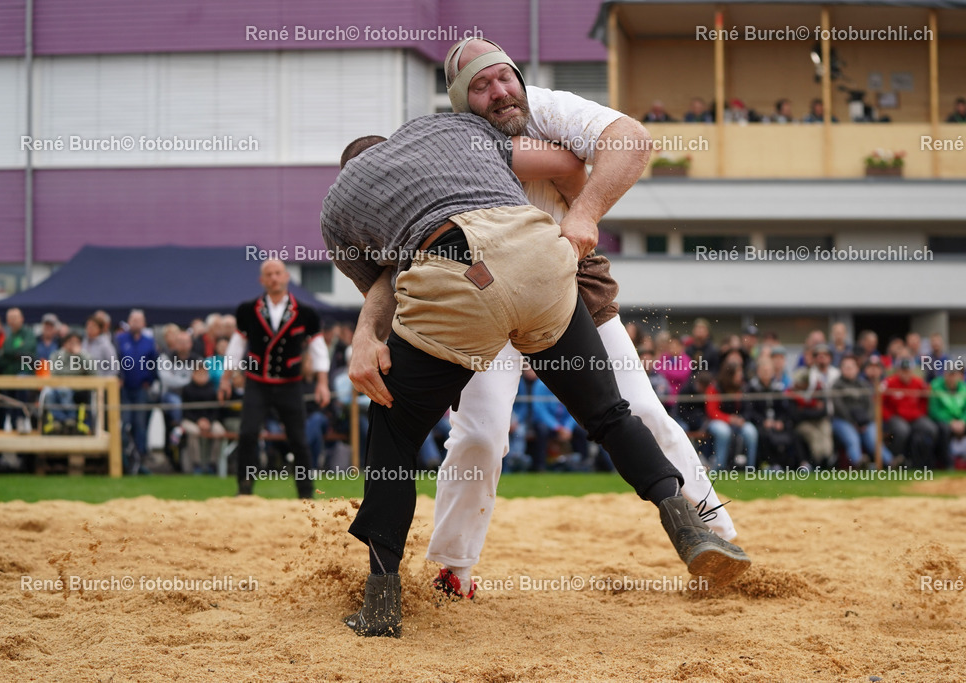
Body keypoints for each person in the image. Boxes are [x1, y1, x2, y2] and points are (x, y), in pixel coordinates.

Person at [321, 111, 749, 635]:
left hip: (457, 282)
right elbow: (569, 159)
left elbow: (386, 285)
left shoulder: (339, 204)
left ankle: (382, 603)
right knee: (610, 415)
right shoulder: (452, 131)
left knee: (393, 430)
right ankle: (685, 523)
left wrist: (368, 342)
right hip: (541, 263)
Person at [408, 37, 739, 601]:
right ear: (462, 101)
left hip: (569, 274)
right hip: (485, 290)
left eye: (504, 77)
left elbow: (631, 139)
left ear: (518, 76)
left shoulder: (547, 106)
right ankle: (452, 569)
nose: (500, 91)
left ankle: (716, 538)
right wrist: (567, 171)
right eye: (482, 86)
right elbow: (558, 163)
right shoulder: (455, 138)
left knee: (641, 410)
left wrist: (582, 210)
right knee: (481, 436)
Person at [218, 259, 331, 497]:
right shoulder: (248, 310)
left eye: (278, 273)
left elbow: (318, 349)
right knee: (248, 433)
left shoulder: (306, 312)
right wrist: (226, 379)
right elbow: (236, 346)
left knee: (299, 439)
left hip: (290, 385)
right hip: (257, 383)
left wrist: (322, 384)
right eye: (269, 274)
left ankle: (305, 493)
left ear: (286, 276)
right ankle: (245, 490)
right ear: (262, 280)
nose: (274, 278)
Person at [116, 309, 158, 473]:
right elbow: (114, 361)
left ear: (144, 323)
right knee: (124, 424)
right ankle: (125, 460)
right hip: (124, 389)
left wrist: (150, 380)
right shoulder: (119, 340)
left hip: (141, 389)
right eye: (133, 319)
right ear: (128, 321)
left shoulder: (149, 342)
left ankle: (141, 461)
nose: (136, 323)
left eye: (139, 320)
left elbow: (154, 364)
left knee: (140, 425)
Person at [832, 354, 892, 468]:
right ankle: (859, 463)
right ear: (841, 369)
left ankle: (890, 462)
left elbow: (871, 406)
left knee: (873, 439)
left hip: (864, 421)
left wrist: (865, 422)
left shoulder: (863, 384)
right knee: (852, 439)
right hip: (843, 421)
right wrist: (854, 423)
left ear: (857, 369)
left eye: (851, 367)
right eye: (846, 367)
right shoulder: (836, 385)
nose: (849, 369)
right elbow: (839, 408)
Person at [882, 357, 937, 469]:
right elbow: (880, 402)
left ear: (912, 371)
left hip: (915, 417)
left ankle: (925, 461)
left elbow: (925, 399)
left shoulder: (919, 383)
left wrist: (921, 412)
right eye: (903, 370)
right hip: (896, 417)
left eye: (908, 370)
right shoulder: (889, 382)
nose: (905, 373)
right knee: (902, 431)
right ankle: (895, 460)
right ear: (898, 371)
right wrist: (888, 416)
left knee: (931, 429)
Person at [745, 357, 799, 469]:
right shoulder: (751, 388)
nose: (766, 374)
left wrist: (781, 421)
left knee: (793, 433)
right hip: (760, 423)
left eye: (769, 371)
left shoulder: (778, 388)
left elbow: (784, 409)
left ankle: (794, 464)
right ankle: (768, 464)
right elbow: (750, 411)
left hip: (776, 422)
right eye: (764, 371)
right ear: (758, 372)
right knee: (763, 436)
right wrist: (763, 421)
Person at [704, 361, 757, 469]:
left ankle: (750, 467)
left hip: (737, 421)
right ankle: (720, 467)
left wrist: (741, 419)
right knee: (724, 432)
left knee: (751, 431)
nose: (741, 376)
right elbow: (712, 412)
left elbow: (748, 408)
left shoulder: (742, 387)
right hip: (716, 421)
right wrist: (729, 419)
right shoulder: (715, 388)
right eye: (738, 373)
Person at [43, 333, 95, 435]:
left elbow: (93, 373)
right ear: (65, 343)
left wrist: (80, 355)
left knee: (64, 390)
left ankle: (70, 419)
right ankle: (59, 419)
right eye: (70, 342)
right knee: (48, 393)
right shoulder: (57, 355)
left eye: (76, 343)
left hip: (78, 389)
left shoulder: (84, 355)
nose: (72, 345)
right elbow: (54, 372)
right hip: (57, 386)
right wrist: (77, 371)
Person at [929, 366, 966, 469]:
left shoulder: (965, 387)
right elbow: (934, 411)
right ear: (944, 375)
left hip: (961, 421)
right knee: (944, 430)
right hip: (943, 421)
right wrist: (950, 421)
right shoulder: (936, 386)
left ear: (959, 376)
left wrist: (963, 421)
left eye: (954, 375)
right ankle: (947, 464)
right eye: (949, 374)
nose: (951, 378)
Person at [179, 367, 225, 474]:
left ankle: (213, 463)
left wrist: (208, 421)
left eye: (203, 374)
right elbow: (185, 411)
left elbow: (215, 411)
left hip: (209, 421)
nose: (201, 376)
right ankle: (197, 464)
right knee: (195, 432)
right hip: (191, 420)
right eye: (198, 374)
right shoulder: (187, 389)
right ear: (193, 375)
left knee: (220, 432)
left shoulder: (212, 389)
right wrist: (198, 421)